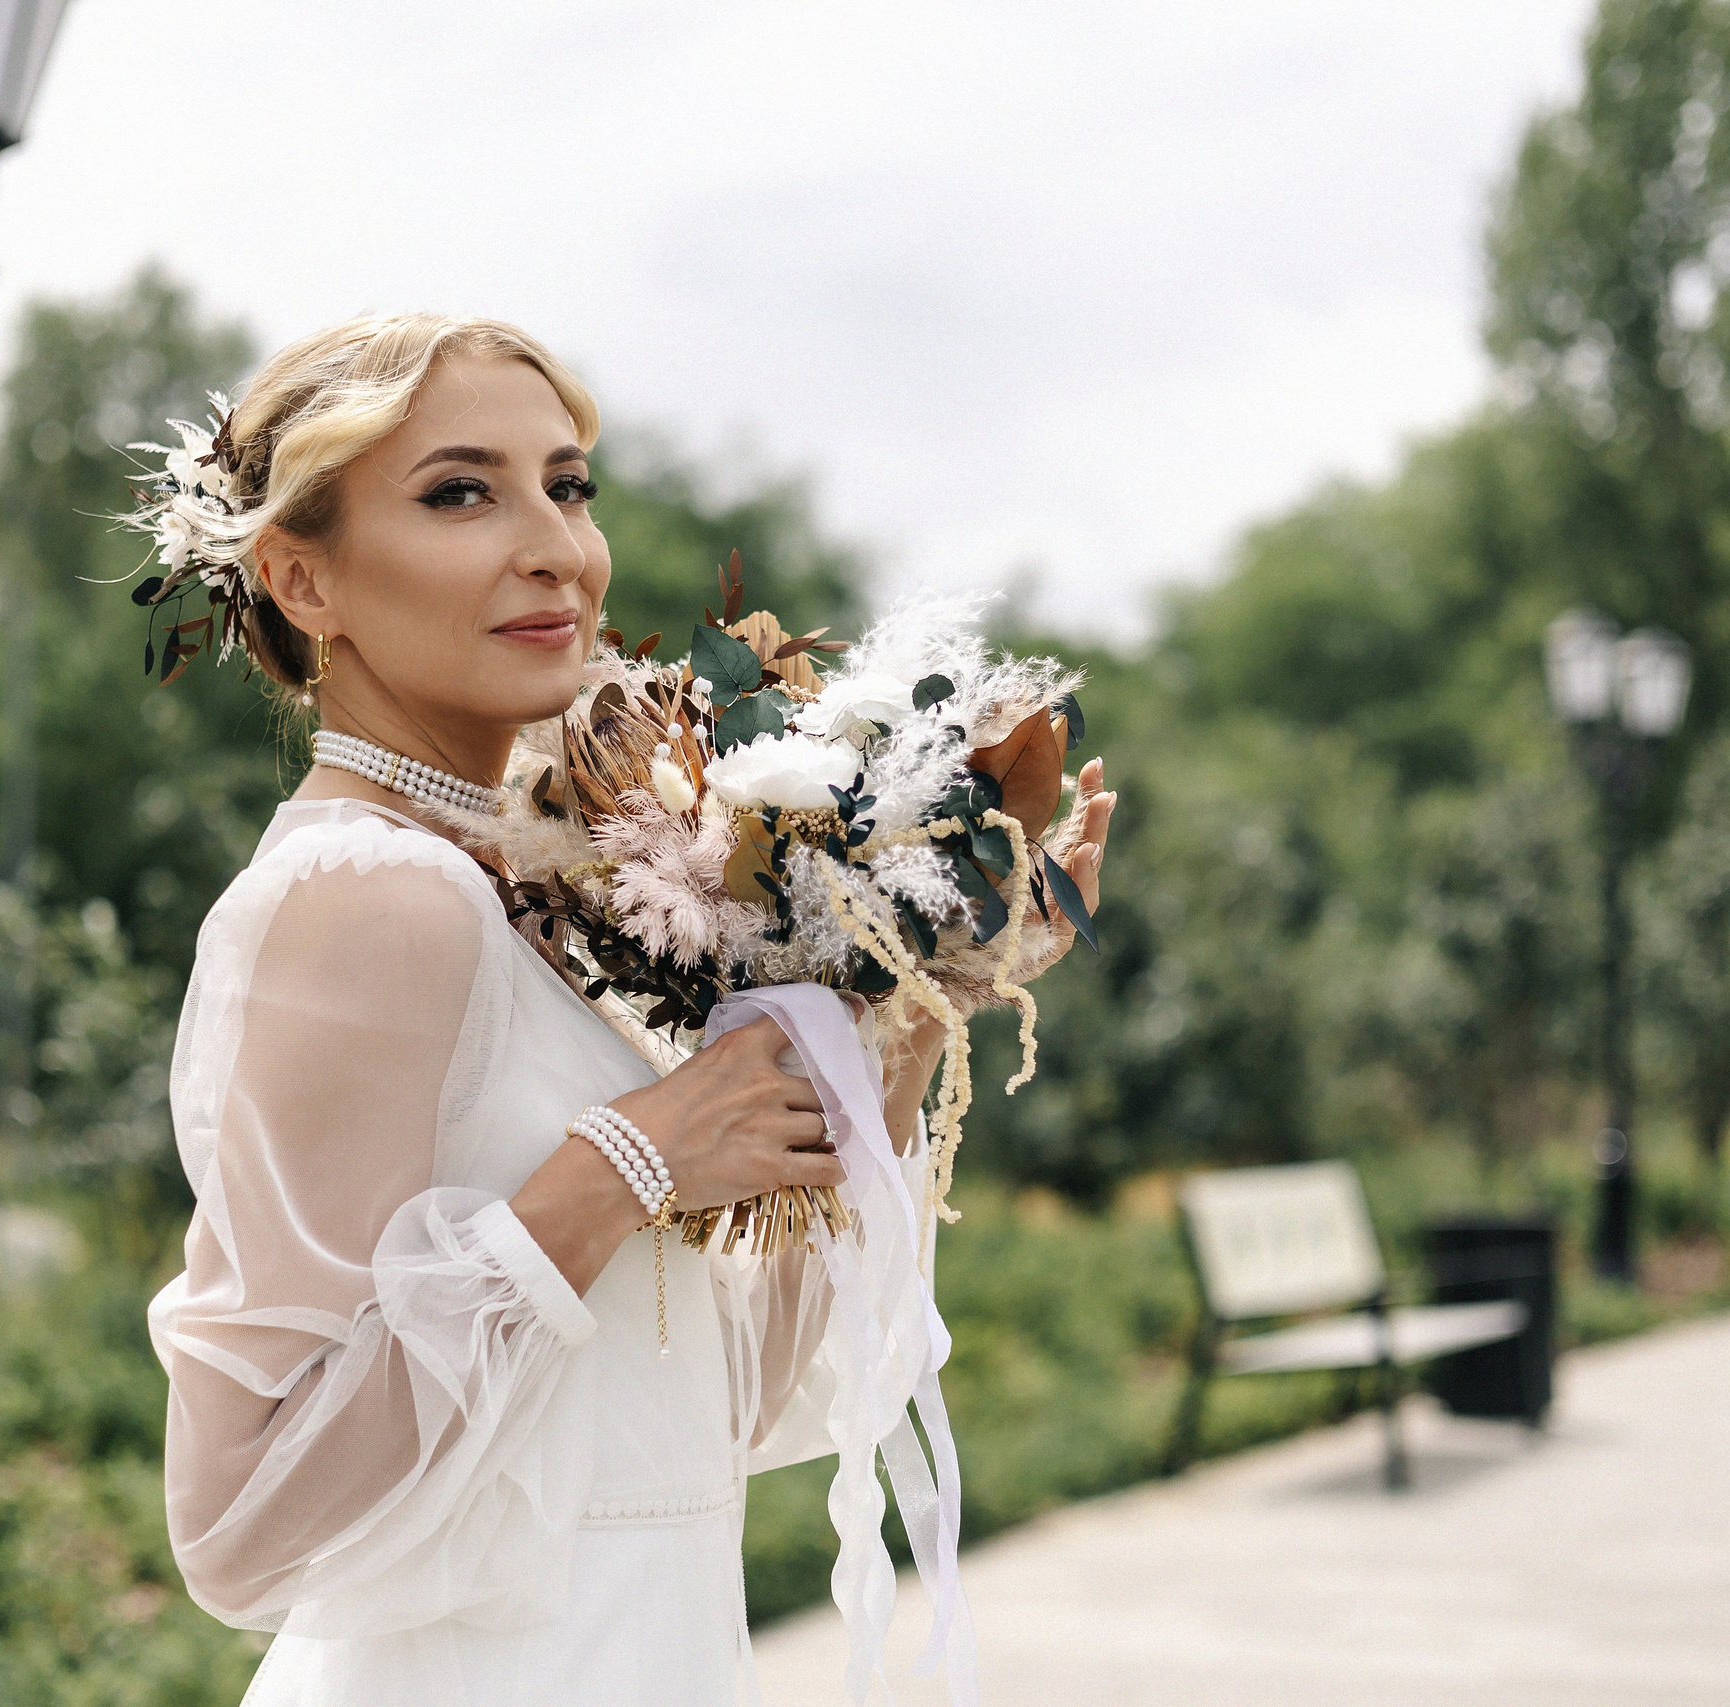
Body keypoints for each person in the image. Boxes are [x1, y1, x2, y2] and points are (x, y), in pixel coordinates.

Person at [142, 313, 1115, 1706]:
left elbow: (722, 1406)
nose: (556, 546)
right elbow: (244, 1522)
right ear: (303, 576)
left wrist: (922, 986)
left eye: (569, 483)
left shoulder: (539, 892)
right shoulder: (370, 899)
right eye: (460, 491)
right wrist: (628, 1160)